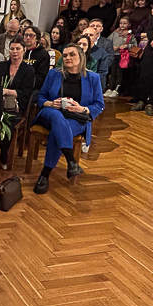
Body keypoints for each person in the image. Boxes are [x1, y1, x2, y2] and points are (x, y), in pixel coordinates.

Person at [32, 43, 104, 195]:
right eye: (65, 55)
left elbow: (99, 105)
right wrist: (51, 103)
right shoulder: (54, 74)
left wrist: (82, 109)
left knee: (56, 134)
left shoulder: (93, 78)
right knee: (57, 116)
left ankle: (44, 175)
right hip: (50, 114)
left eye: (72, 54)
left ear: (81, 57)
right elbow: (40, 98)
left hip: (76, 118)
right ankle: (71, 160)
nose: (67, 58)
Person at [0, 36, 35, 164]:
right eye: (12, 49)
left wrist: (8, 92)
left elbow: (27, 93)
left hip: (16, 107)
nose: (14, 51)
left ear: (24, 50)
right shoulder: (0, 66)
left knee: (9, 123)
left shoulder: (29, 70)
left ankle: (4, 153)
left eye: (18, 48)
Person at [106, 16, 137, 97]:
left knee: (119, 73)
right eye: (120, 23)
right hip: (114, 55)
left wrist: (127, 46)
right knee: (113, 72)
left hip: (123, 56)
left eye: (124, 23)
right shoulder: (115, 33)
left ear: (129, 24)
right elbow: (108, 41)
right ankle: (110, 88)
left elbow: (135, 45)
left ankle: (117, 89)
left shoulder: (130, 35)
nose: (122, 25)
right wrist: (111, 47)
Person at [84, 23, 113, 92]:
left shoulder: (102, 53)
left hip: (94, 85)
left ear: (96, 37)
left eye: (91, 35)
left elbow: (102, 74)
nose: (88, 37)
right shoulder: (76, 50)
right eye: (86, 35)